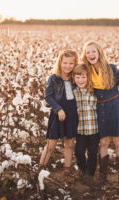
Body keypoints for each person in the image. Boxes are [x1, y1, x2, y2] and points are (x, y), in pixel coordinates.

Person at [81, 41, 119, 185]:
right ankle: (103, 176)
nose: (91, 55)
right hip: (100, 108)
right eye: (88, 52)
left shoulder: (111, 68)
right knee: (104, 142)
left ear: (99, 52)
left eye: (93, 51)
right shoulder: (86, 71)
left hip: (114, 106)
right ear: (85, 55)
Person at [39, 49, 79, 183]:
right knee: (51, 144)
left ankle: (67, 172)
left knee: (69, 144)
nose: (67, 66)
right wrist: (58, 109)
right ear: (60, 62)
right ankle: (40, 170)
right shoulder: (54, 78)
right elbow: (48, 97)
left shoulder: (75, 78)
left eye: (71, 64)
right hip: (58, 114)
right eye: (65, 63)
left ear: (75, 64)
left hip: (73, 115)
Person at [72, 63, 99, 185]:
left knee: (93, 153)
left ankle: (90, 174)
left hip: (94, 129)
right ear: (74, 78)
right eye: (77, 77)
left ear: (88, 77)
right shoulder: (74, 92)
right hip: (80, 130)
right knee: (79, 152)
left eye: (83, 77)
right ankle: (83, 169)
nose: (80, 80)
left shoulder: (94, 91)